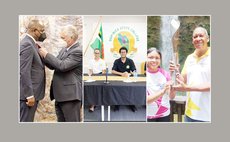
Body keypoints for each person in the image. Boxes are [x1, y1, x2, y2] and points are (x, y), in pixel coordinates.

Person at [39, 25, 82, 122]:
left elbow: (62, 66)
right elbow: (55, 65)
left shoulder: (78, 51)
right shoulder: (64, 49)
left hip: (70, 97)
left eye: (63, 37)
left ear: (71, 38)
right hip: (60, 96)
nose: (61, 40)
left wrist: (46, 54)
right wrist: (43, 56)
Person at [170, 27, 211, 122]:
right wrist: (175, 71)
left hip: (208, 115)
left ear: (207, 38)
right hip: (189, 114)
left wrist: (187, 88)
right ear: (192, 41)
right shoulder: (189, 58)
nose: (198, 39)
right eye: (195, 37)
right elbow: (183, 80)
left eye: (201, 36)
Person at [20, 19, 46, 122]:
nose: (43, 33)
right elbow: (24, 71)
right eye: (42, 30)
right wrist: (29, 95)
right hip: (28, 96)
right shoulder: (27, 44)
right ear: (34, 30)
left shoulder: (31, 43)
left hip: (32, 94)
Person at [146, 48, 175, 122]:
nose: (154, 60)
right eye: (151, 57)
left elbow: (171, 96)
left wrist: (173, 87)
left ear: (160, 60)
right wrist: (163, 91)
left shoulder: (166, 74)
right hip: (148, 114)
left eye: (157, 58)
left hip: (164, 113)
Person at [111, 46, 137, 112]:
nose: (123, 53)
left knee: (131, 89)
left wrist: (129, 74)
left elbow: (134, 71)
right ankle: (117, 104)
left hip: (128, 78)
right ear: (120, 53)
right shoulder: (116, 61)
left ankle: (131, 104)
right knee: (117, 89)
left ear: (126, 53)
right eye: (121, 52)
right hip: (119, 78)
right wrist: (121, 74)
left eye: (124, 52)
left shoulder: (130, 61)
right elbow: (113, 71)